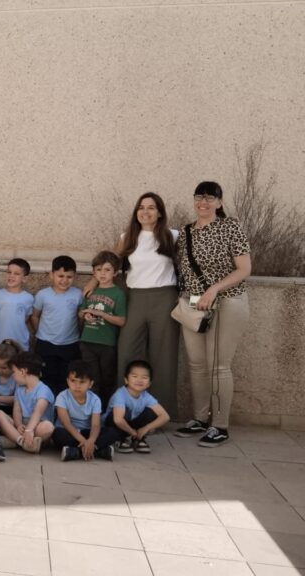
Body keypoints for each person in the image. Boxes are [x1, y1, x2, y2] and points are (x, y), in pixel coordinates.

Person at [84, 192, 179, 412]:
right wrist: (93, 281)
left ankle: (159, 413)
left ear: (160, 212)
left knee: (163, 356)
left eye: (151, 207)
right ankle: (123, 409)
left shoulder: (173, 236)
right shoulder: (127, 237)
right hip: (135, 298)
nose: (145, 212)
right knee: (127, 351)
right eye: (141, 207)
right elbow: (110, 262)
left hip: (164, 298)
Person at [173, 181, 252, 447]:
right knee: (197, 364)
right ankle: (200, 418)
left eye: (209, 197)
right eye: (199, 196)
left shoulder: (230, 227)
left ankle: (220, 426)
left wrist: (214, 289)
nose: (203, 202)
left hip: (227, 302)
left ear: (219, 202)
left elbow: (244, 269)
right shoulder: (186, 231)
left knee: (218, 365)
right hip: (195, 305)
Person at [79, 251, 127, 399]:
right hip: (87, 341)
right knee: (92, 379)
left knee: (107, 379)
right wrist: (85, 315)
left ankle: (107, 408)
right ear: (94, 272)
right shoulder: (91, 291)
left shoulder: (118, 293)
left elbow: (121, 321)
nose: (102, 273)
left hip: (107, 344)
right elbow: (81, 312)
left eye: (107, 270)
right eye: (99, 270)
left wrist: (101, 314)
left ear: (115, 272)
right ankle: (94, 409)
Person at [31, 255, 82, 394]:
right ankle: (46, 405)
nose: (64, 280)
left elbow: (80, 318)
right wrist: (40, 332)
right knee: (46, 378)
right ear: (51, 275)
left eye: (69, 277)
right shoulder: (43, 295)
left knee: (67, 379)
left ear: (74, 276)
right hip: (46, 344)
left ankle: (62, 405)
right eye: (60, 276)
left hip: (70, 344)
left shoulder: (78, 295)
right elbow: (35, 316)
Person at [53, 360, 119, 462]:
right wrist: (84, 441)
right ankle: (98, 451)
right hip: (69, 432)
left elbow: (95, 425)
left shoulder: (95, 399)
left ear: (90, 384)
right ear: (67, 381)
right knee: (57, 434)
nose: (77, 386)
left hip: (87, 432)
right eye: (73, 381)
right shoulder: (62, 397)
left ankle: (76, 452)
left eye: (82, 382)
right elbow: (66, 424)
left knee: (113, 432)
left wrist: (91, 441)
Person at [0, 351, 54, 454]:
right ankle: (22, 442)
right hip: (22, 427)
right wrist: (18, 425)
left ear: (22, 371)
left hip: (36, 427)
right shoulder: (20, 389)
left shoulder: (44, 390)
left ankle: (15, 441)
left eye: (14, 372)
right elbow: (17, 410)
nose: (13, 376)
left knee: (47, 427)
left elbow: (38, 412)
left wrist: (29, 430)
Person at [109, 360, 171, 453]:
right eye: (134, 376)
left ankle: (138, 438)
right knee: (125, 412)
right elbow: (118, 420)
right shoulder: (120, 394)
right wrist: (132, 432)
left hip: (130, 425)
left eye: (144, 377)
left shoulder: (146, 396)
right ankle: (120, 439)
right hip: (112, 424)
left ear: (149, 383)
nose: (139, 380)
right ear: (126, 380)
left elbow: (165, 416)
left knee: (151, 412)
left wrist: (146, 428)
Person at [0, 258, 34, 351]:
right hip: (0, 342)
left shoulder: (28, 298)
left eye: (16, 273)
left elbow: (26, 318)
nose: (11, 276)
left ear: (24, 278)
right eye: (9, 272)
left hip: (20, 343)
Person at [0, 339, 21, 409]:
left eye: (4, 368)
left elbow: (19, 398)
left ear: (14, 365)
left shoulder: (18, 379)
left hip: (11, 410)